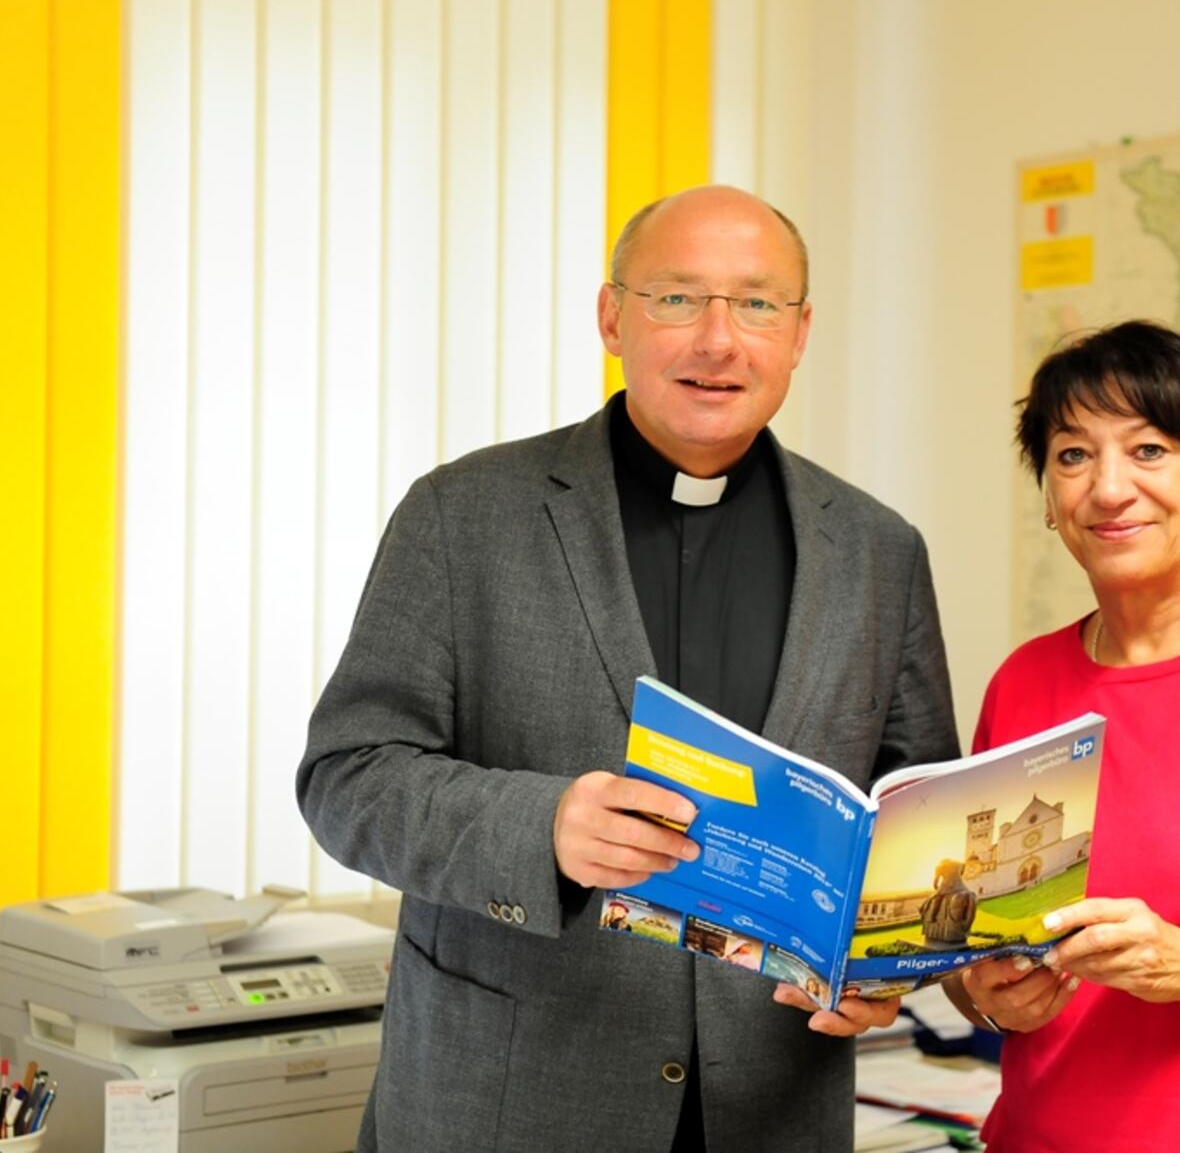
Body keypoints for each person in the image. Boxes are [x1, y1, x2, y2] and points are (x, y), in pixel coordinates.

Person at [297, 184, 959, 1152]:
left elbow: (913, 816)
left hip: (775, 1107)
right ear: (612, 317)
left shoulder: (876, 548)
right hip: (508, 1105)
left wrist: (885, 969)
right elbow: (347, 776)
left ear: (801, 332)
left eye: (757, 303)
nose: (718, 339)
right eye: (677, 298)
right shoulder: (463, 513)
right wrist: (542, 826)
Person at [942, 319, 1180, 1151]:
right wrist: (984, 991)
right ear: (1048, 498)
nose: (1108, 489)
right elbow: (973, 956)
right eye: (1073, 455)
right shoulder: (1024, 683)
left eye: (1149, 450)